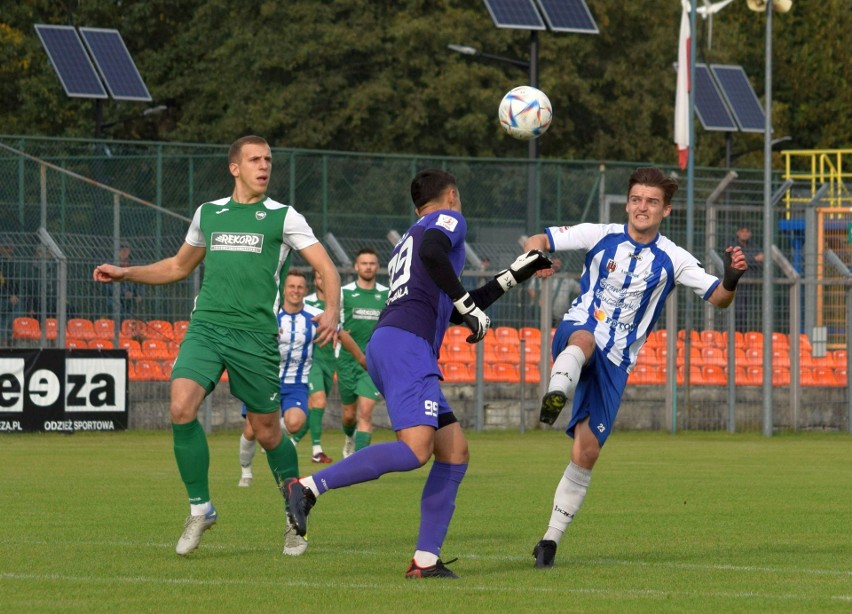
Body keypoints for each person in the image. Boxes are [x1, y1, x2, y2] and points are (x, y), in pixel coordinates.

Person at [280, 168, 551, 579]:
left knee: (454, 452)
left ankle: (425, 560)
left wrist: (516, 273)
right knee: (415, 450)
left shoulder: (411, 238)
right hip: (407, 346)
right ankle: (308, 487)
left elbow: (457, 305)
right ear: (452, 196)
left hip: (396, 343)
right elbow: (439, 264)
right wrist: (468, 302)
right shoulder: (448, 221)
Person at [93, 135, 341, 556]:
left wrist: (332, 308)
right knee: (180, 406)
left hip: (255, 338)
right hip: (206, 327)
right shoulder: (209, 213)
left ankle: (294, 513)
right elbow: (177, 265)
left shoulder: (283, 216)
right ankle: (200, 508)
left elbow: (325, 266)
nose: (264, 166)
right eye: (255, 160)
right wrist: (126, 273)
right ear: (235, 167)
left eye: (268, 160)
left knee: (266, 431)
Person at [522, 167, 747, 569]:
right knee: (583, 339)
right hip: (581, 328)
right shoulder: (600, 234)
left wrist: (731, 277)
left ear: (666, 210)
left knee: (586, 452)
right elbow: (540, 238)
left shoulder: (674, 258)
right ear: (628, 203)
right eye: (637, 200)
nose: (642, 207)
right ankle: (557, 391)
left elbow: (718, 298)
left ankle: (549, 542)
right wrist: (535, 257)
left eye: (652, 202)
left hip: (617, 361)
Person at [237, 270, 318, 555]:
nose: (295, 290)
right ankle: (246, 470)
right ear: (284, 289)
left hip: (296, 384)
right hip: (265, 380)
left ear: (305, 290)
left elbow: (338, 333)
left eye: (300, 287)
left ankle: (277, 452)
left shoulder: (314, 317)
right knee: (250, 431)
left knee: (295, 423)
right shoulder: (269, 314)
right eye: (291, 286)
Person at [336, 247, 389, 455]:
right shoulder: (344, 293)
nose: (368, 267)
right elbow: (335, 324)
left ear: (377, 266)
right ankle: (349, 437)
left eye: (372, 263)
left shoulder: (386, 294)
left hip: (373, 362)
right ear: (356, 266)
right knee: (349, 415)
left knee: (365, 413)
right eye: (364, 263)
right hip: (347, 362)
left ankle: (357, 463)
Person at [291, 269, 336, 464]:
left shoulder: (337, 304)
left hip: (330, 360)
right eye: (319, 277)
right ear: (315, 281)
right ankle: (317, 451)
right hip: (311, 360)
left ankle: (290, 442)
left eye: (325, 277)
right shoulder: (306, 304)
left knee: (315, 410)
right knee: (318, 402)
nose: (323, 280)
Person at [527, 257, 581, 327]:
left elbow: (579, 289)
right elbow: (531, 289)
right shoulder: (544, 273)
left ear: (561, 265)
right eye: (553, 263)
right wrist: (539, 302)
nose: (556, 265)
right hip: (542, 313)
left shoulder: (567, 278)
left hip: (560, 316)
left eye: (558, 263)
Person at [731, 225, 764, 332]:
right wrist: (754, 259)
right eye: (742, 231)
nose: (745, 233)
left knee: (746, 309)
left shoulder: (753, 245)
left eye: (747, 231)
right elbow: (736, 260)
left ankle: (743, 334)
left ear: (750, 234)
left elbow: (762, 262)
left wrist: (746, 259)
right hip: (736, 283)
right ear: (738, 233)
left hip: (749, 283)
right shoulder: (733, 245)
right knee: (737, 309)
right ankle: (736, 332)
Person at [117, 244, 145, 318]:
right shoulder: (111, 265)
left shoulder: (133, 265)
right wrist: (123, 292)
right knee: (114, 305)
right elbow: (109, 285)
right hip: (116, 297)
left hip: (131, 297)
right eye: (122, 250)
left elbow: (140, 280)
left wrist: (140, 294)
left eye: (126, 250)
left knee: (134, 306)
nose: (124, 252)